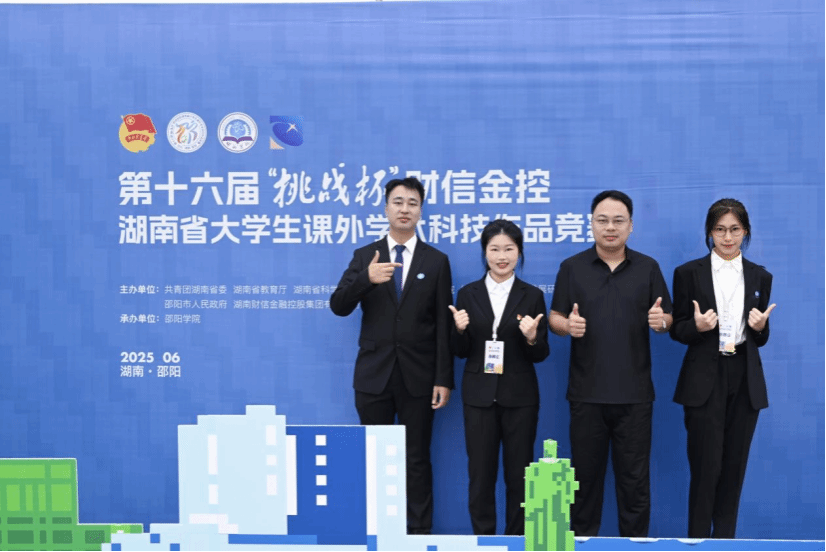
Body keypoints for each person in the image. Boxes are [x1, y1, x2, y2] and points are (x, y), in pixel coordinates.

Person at [330, 176, 453, 535]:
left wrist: (443, 378)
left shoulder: (436, 260)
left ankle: (418, 535)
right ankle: (377, 532)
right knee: (374, 458)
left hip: (419, 377)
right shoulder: (365, 256)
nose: (404, 209)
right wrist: (365, 279)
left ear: (420, 211)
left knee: (416, 459)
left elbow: (443, 325)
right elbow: (338, 305)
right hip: (374, 376)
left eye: (412, 203)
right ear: (386, 208)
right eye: (398, 202)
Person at [549, 190, 672, 537]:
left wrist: (661, 322)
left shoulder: (648, 267)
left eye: (619, 220)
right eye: (602, 220)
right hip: (586, 395)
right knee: (584, 485)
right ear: (591, 224)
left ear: (631, 226)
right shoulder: (572, 267)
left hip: (634, 396)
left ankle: (635, 545)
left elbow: (667, 318)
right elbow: (554, 317)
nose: (610, 227)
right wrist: (567, 326)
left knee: (635, 486)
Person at [670, 198, 776, 539]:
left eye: (734, 229)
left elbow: (761, 337)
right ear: (709, 232)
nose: (727, 237)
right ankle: (698, 541)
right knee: (705, 470)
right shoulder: (688, 273)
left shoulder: (760, 276)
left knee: (734, 471)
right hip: (704, 378)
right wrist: (697, 327)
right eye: (719, 230)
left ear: (745, 231)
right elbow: (677, 329)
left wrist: (760, 327)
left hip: (744, 379)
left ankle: (725, 543)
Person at [449, 219, 550, 535]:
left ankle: (516, 539)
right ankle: (484, 539)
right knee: (480, 475)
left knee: (520, 475)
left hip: (520, 397)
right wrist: (459, 330)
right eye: (494, 249)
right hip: (478, 395)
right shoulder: (468, 294)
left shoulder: (532, 295)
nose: (502, 256)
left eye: (509, 249)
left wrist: (532, 337)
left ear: (519, 252)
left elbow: (541, 354)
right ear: (485, 252)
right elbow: (460, 351)